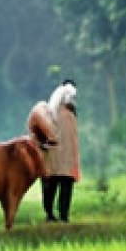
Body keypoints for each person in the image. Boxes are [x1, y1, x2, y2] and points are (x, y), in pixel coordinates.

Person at [41, 79, 80, 223]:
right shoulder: (71, 114)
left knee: (50, 187)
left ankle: (50, 214)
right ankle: (64, 215)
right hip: (67, 161)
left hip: (52, 160)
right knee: (65, 188)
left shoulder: (49, 113)